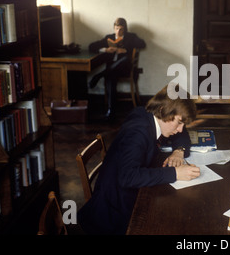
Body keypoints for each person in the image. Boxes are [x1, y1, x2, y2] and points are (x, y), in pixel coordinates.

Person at [77, 84, 201, 235]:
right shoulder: (138, 132)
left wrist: (178, 151)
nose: (181, 129)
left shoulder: (147, 114)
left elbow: (181, 134)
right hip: (113, 211)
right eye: (179, 123)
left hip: (125, 194)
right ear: (163, 111)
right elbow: (128, 177)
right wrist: (175, 173)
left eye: (183, 124)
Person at [88, 18, 146, 118]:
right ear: (114, 28)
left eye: (121, 29)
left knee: (125, 59)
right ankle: (111, 111)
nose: (118, 32)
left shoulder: (130, 37)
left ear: (125, 30)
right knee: (111, 75)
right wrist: (105, 49)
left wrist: (124, 49)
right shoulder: (109, 38)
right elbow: (91, 46)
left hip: (125, 69)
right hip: (112, 70)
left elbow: (142, 44)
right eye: (116, 29)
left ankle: (99, 75)